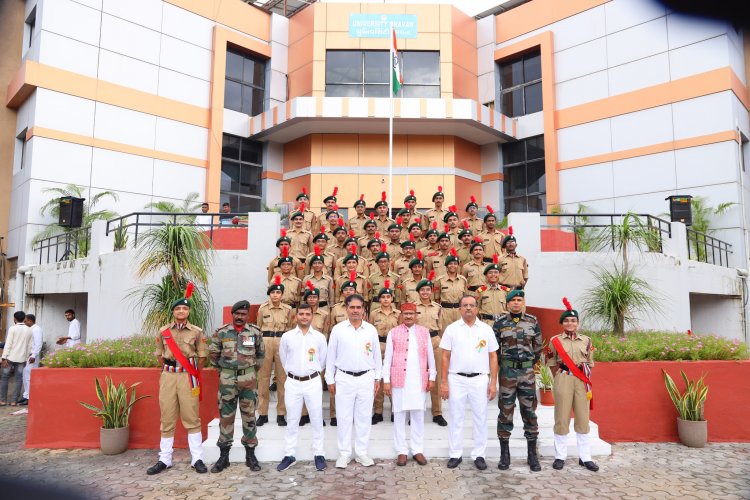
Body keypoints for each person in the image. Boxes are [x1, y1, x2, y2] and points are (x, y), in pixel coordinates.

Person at [147, 285, 208, 475]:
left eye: (184, 308)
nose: (181, 311)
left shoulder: (197, 332)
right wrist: (169, 368)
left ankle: (197, 458)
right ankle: (165, 459)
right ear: (173, 312)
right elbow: (159, 355)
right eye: (178, 309)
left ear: (188, 311)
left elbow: (202, 356)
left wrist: (192, 371)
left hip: (188, 377)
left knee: (192, 417)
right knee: (167, 418)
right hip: (168, 377)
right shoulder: (163, 331)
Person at [439, 295, 499, 470]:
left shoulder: (486, 330)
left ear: (477, 309)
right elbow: (445, 356)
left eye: (472, 305)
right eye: (464, 305)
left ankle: (479, 454)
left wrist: (493, 382)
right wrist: (444, 382)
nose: (468, 308)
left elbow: (493, 356)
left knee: (480, 417)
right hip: (456, 378)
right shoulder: (452, 329)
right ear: (459, 309)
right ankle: (455, 454)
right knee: (456, 417)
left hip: (480, 379)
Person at [325, 294, 382, 469]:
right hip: (344, 378)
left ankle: (361, 452)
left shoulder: (371, 329)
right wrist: (330, 379)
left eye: (359, 307)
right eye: (352, 307)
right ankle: (344, 454)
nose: (356, 311)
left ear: (364, 309)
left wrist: (377, 377)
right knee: (343, 416)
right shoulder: (338, 329)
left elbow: (377, 356)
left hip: (366, 377)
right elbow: (330, 356)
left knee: (364, 417)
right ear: (346, 309)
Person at [208, 300, 265, 473]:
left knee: (249, 416)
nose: (240, 317)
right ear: (232, 314)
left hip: (248, 379)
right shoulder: (222, 333)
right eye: (237, 314)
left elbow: (260, 355)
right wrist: (225, 371)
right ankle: (224, 456)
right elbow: (213, 355)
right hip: (227, 380)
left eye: (243, 314)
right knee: (226, 417)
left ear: (247, 316)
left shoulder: (254, 332)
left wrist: (249, 371)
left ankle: (250, 455)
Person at [493, 290, 542, 472]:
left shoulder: (532, 321)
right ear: (507, 304)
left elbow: (538, 347)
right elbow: (494, 350)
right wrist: (506, 365)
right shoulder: (499, 324)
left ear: (523, 302)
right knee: (505, 411)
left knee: (529, 411)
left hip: (527, 372)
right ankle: (504, 455)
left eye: (519, 300)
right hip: (507, 372)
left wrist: (527, 363)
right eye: (512, 300)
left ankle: (532, 456)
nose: (515, 303)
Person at [547, 298, 598, 472]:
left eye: (573, 320)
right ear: (562, 323)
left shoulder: (587, 340)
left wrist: (581, 376)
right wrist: (561, 377)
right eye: (567, 320)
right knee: (561, 418)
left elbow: (590, 362)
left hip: (582, 380)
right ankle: (560, 456)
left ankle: (585, 457)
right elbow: (552, 363)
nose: (570, 323)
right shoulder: (555, 341)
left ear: (578, 323)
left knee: (583, 419)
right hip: (563, 378)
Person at [383, 302, 436, 466]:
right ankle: (401, 451)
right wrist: (386, 380)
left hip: (419, 379)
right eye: (405, 313)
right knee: (399, 415)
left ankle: (417, 449)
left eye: (411, 314)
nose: (408, 316)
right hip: (399, 379)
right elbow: (388, 358)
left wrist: (432, 376)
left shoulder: (424, 332)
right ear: (401, 315)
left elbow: (430, 356)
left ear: (416, 315)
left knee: (418, 416)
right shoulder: (393, 332)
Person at [277, 304, 329, 472]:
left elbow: (322, 361)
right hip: (292, 382)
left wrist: (309, 373)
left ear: (312, 316)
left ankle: (319, 454)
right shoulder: (287, 337)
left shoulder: (319, 337)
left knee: (316, 418)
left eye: (308, 314)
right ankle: (289, 454)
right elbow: (284, 360)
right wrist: (295, 374)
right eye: (301, 314)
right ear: (296, 316)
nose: (304, 316)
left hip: (313, 381)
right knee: (292, 419)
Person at [256, 276, 293, 426]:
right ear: (269, 294)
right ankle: (263, 413)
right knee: (263, 379)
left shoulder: (288, 310)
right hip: (266, 342)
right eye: (273, 292)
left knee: (282, 379)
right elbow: (258, 327)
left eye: (278, 292)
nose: (276, 295)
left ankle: (281, 413)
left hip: (281, 342)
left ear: (282, 295)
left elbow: (290, 328)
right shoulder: (262, 308)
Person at [369, 280, 399, 424]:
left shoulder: (398, 314)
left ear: (392, 298)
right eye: (383, 297)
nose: (386, 299)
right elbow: (370, 332)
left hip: (394, 346)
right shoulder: (374, 314)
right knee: (379, 379)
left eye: (388, 297)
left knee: (393, 378)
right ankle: (378, 411)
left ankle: (395, 410)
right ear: (379, 299)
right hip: (379, 346)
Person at [1, 312, 32, 406]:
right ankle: (14, 401)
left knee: (4, 378)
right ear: (24, 318)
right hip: (22, 358)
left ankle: (2, 400)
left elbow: (8, 344)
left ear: (15, 319)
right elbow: (29, 346)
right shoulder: (29, 329)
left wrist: (3, 358)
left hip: (10, 357)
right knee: (19, 379)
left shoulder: (12, 328)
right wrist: (27, 358)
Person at [19, 313, 43, 406]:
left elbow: (38, 343)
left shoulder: (37, 329)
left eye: (25, 321)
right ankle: (26, 395)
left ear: (30, 321)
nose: (24, 323)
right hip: (28, 355)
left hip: (32, 356)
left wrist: (33, 355)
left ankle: (30, 397)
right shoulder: (31, 329)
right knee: (25, 376)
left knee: (29, 377)